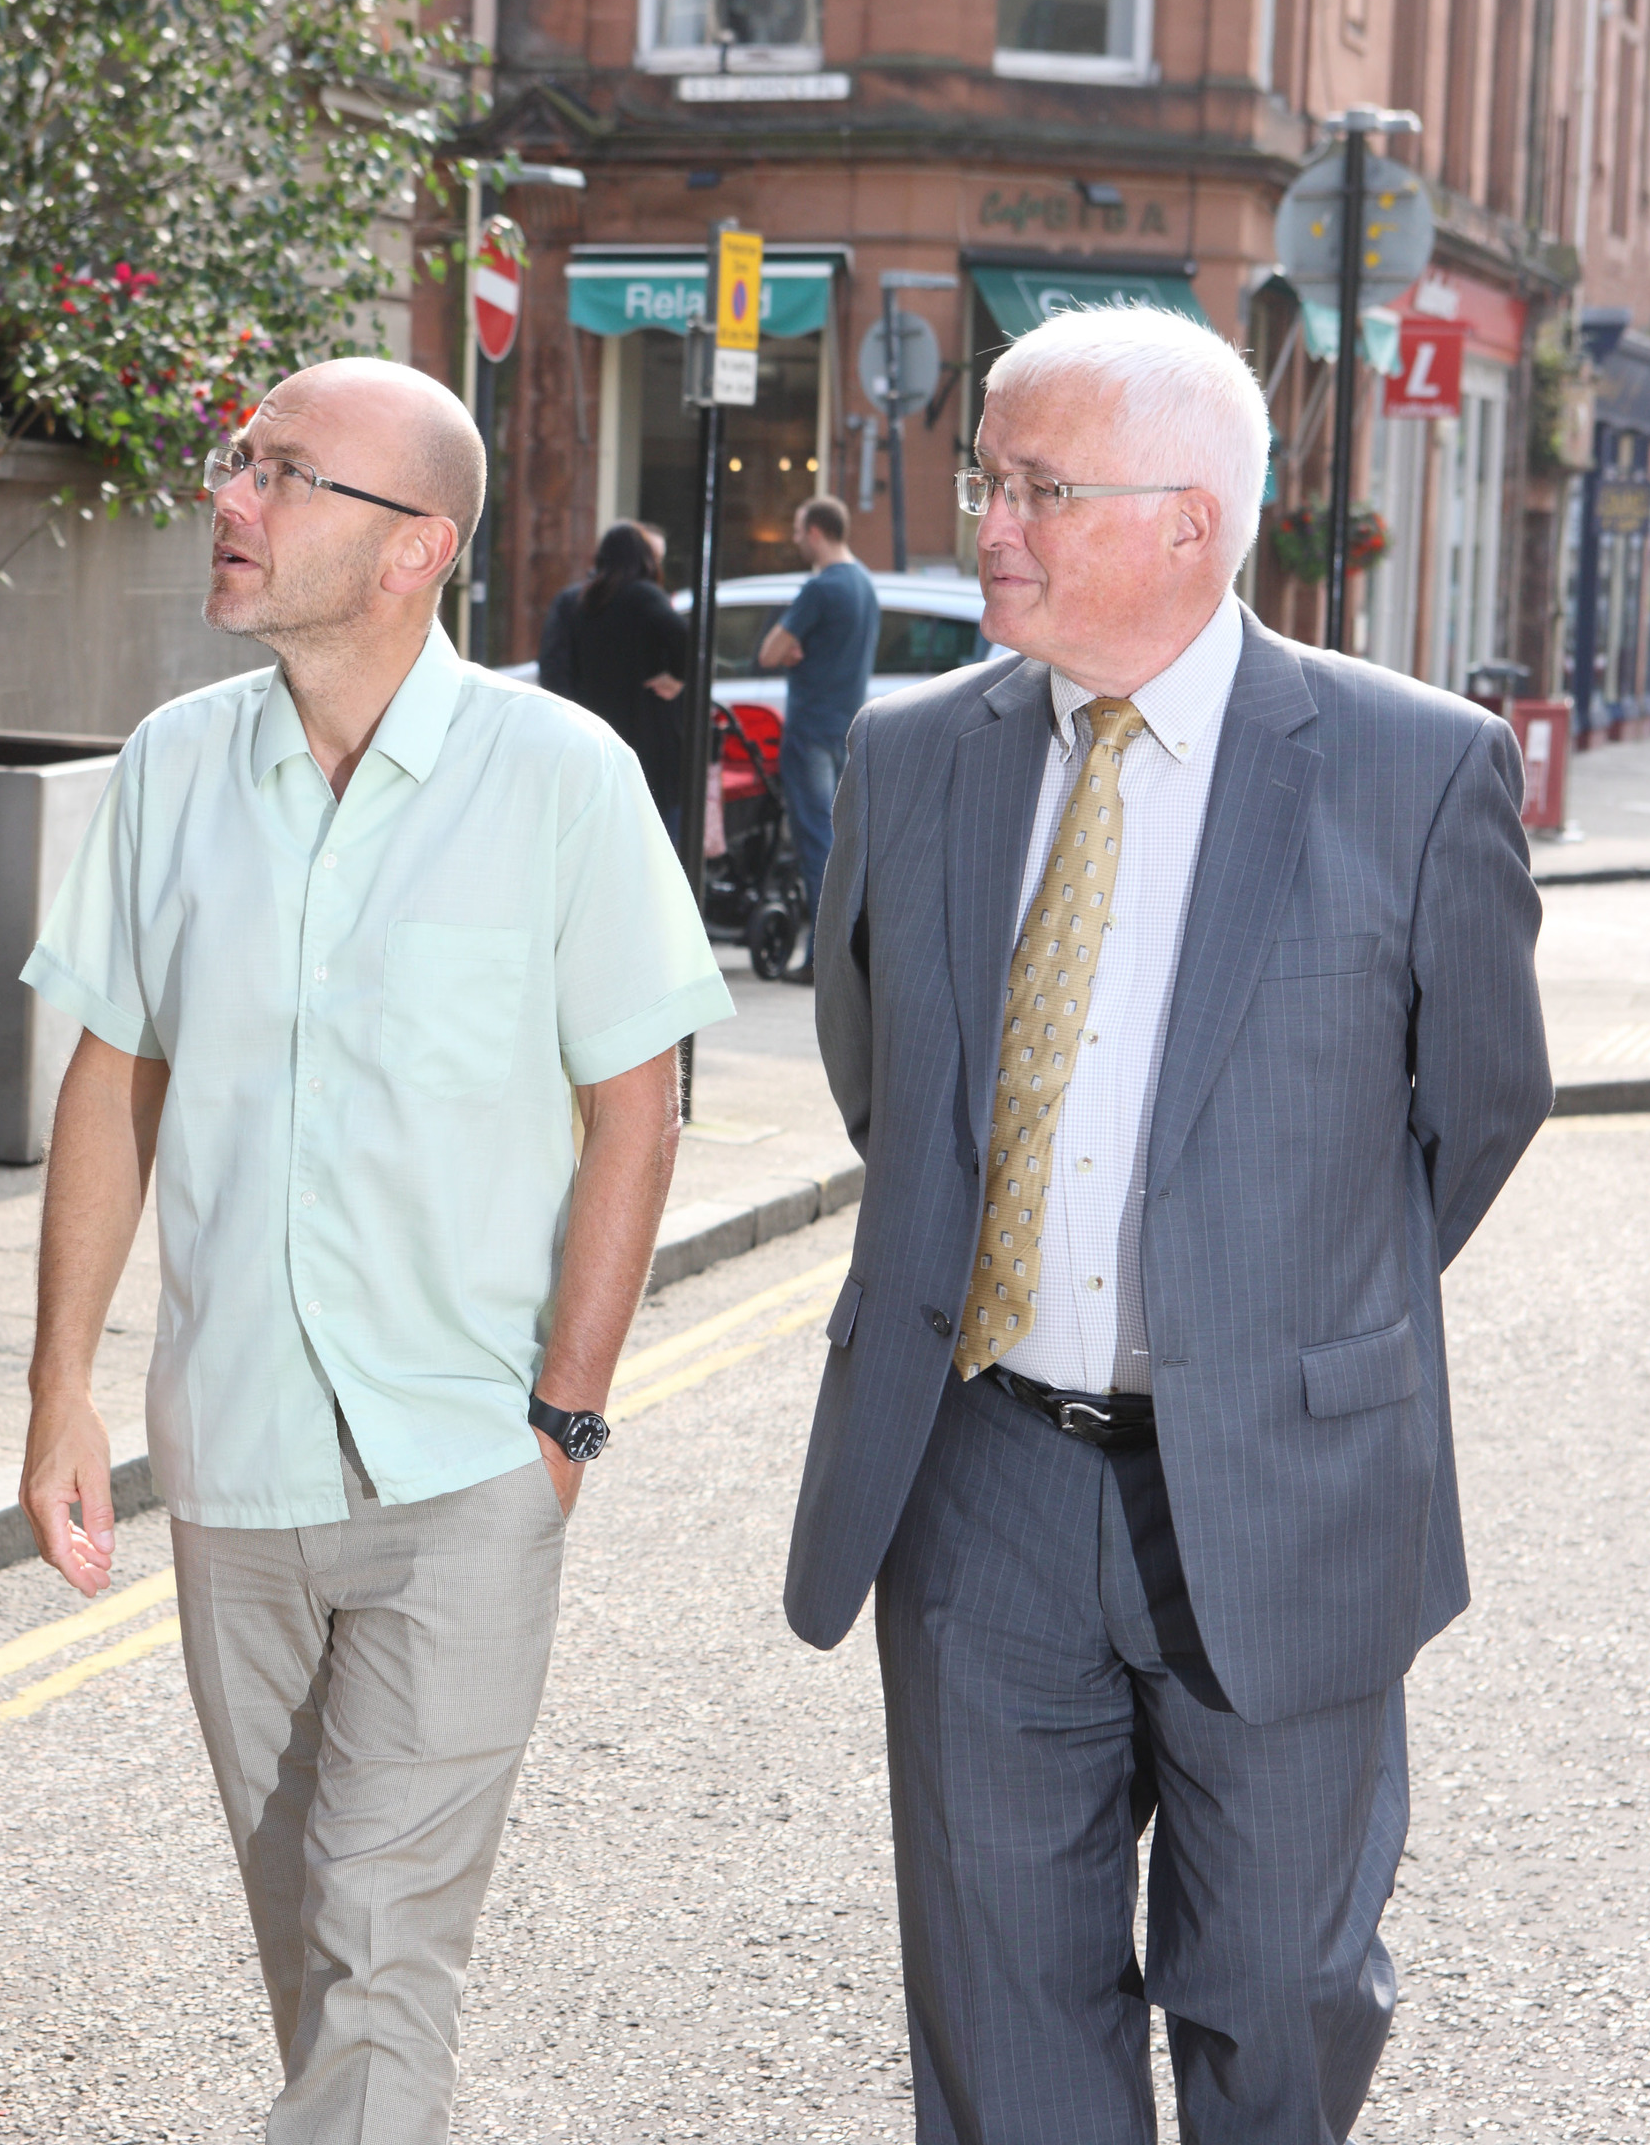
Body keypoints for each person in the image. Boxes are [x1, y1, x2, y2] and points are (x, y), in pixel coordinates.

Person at [787, 304, 1548, 2142]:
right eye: (988, 476)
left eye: (1040, 487)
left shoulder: (1415, 770)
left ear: (1192, 521)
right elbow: (885, 1083)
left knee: (1284, 1995)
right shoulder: (912, 760)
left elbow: (1480, 1112)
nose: (990, 522)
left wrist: (1264, 1309)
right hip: (984, 1483)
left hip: (1284, 1480)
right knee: (1000, 2015)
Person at [15, 357, 731, 2144]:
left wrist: (566, 1418)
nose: (232, 499)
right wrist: (57, 1395)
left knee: (382, 1942)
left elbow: (639, 1105)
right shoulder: (177, 768)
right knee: (313, 1953)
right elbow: (113, 1081)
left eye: (284, 475)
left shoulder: (560, 776)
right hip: (234, 1460)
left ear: (416, 547)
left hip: (468, 1466)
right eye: (236, 459)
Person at [755, 495, 878, 980]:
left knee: (814, 842)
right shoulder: (865, 583)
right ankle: (845, 951)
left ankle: (820, 958)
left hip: (808, 730)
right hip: (847, 729)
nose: (792, 538)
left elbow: (768, 652)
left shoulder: (820, 589)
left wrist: (790, 651)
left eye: (796, 529)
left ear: (814, 533)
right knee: (841, 841)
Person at [537, 520, 692, 830]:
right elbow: (686, 638)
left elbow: (554, 669)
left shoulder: (575, 601)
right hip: (647, 736)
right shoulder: (644, 596)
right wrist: (676, 677)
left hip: (592, 733)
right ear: (645, 558)